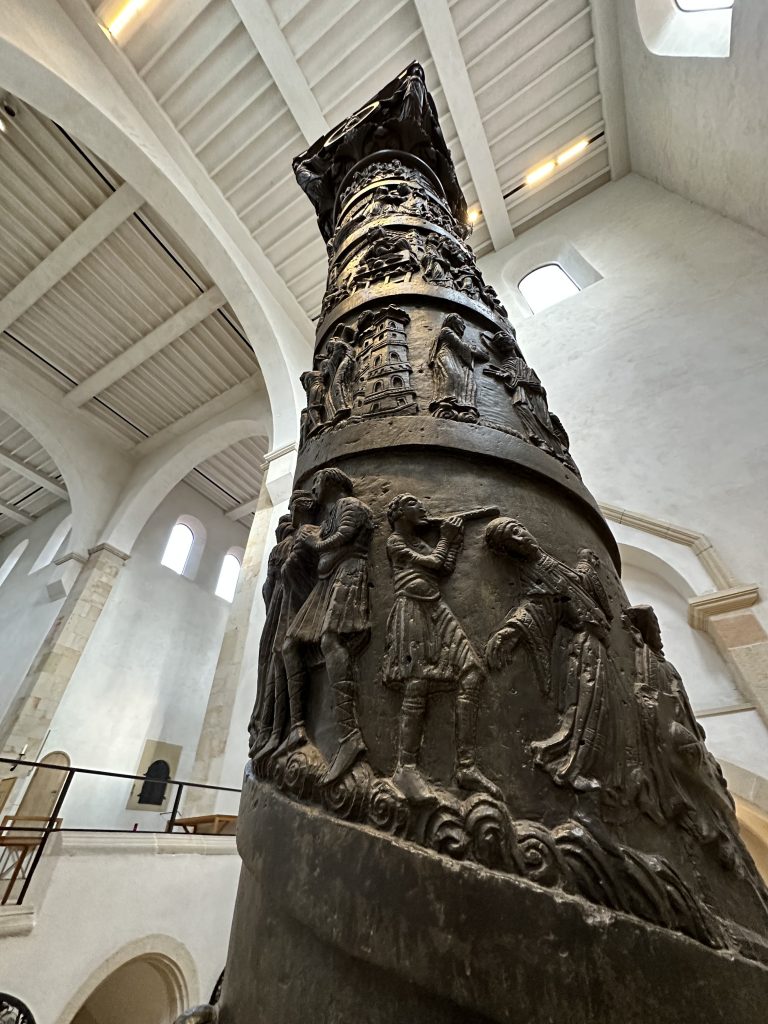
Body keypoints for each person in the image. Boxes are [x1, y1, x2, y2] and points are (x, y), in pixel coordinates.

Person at [383, 494, 501, 803]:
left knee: (472, 672)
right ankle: (406, 767)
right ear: (399, 513)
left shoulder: (419, 542)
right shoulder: (395, 542)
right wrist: (446, 538)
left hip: (436, 608)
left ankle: (466, 766)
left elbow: (444, 568)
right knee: (416, 685)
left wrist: (455, 539)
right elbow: (433, 563)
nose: (422, 507)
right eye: (414, 503)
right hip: (413, 610)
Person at [283, 468, 374, 783]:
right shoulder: (331, 513)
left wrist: (314, 541)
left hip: (347, 573)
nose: (314, 489)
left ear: (333, 482)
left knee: (331, 640)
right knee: (290, 645)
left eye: (317, 483)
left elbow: (341, 539)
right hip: (326, 581)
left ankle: (350, 736)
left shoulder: (351, 505)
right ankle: (297, 727)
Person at [427, 312, 488, 422]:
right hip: (446, 354)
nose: (463, 325)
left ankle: (459, 403)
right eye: (460, 320)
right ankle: (445, 400)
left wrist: (474, 350)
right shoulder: (446, 331)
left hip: (454, 356)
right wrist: (473, 350)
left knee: (462, 379)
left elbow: (464, 348)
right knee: (451, 374)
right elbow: (458, 345)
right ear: (452, 321)